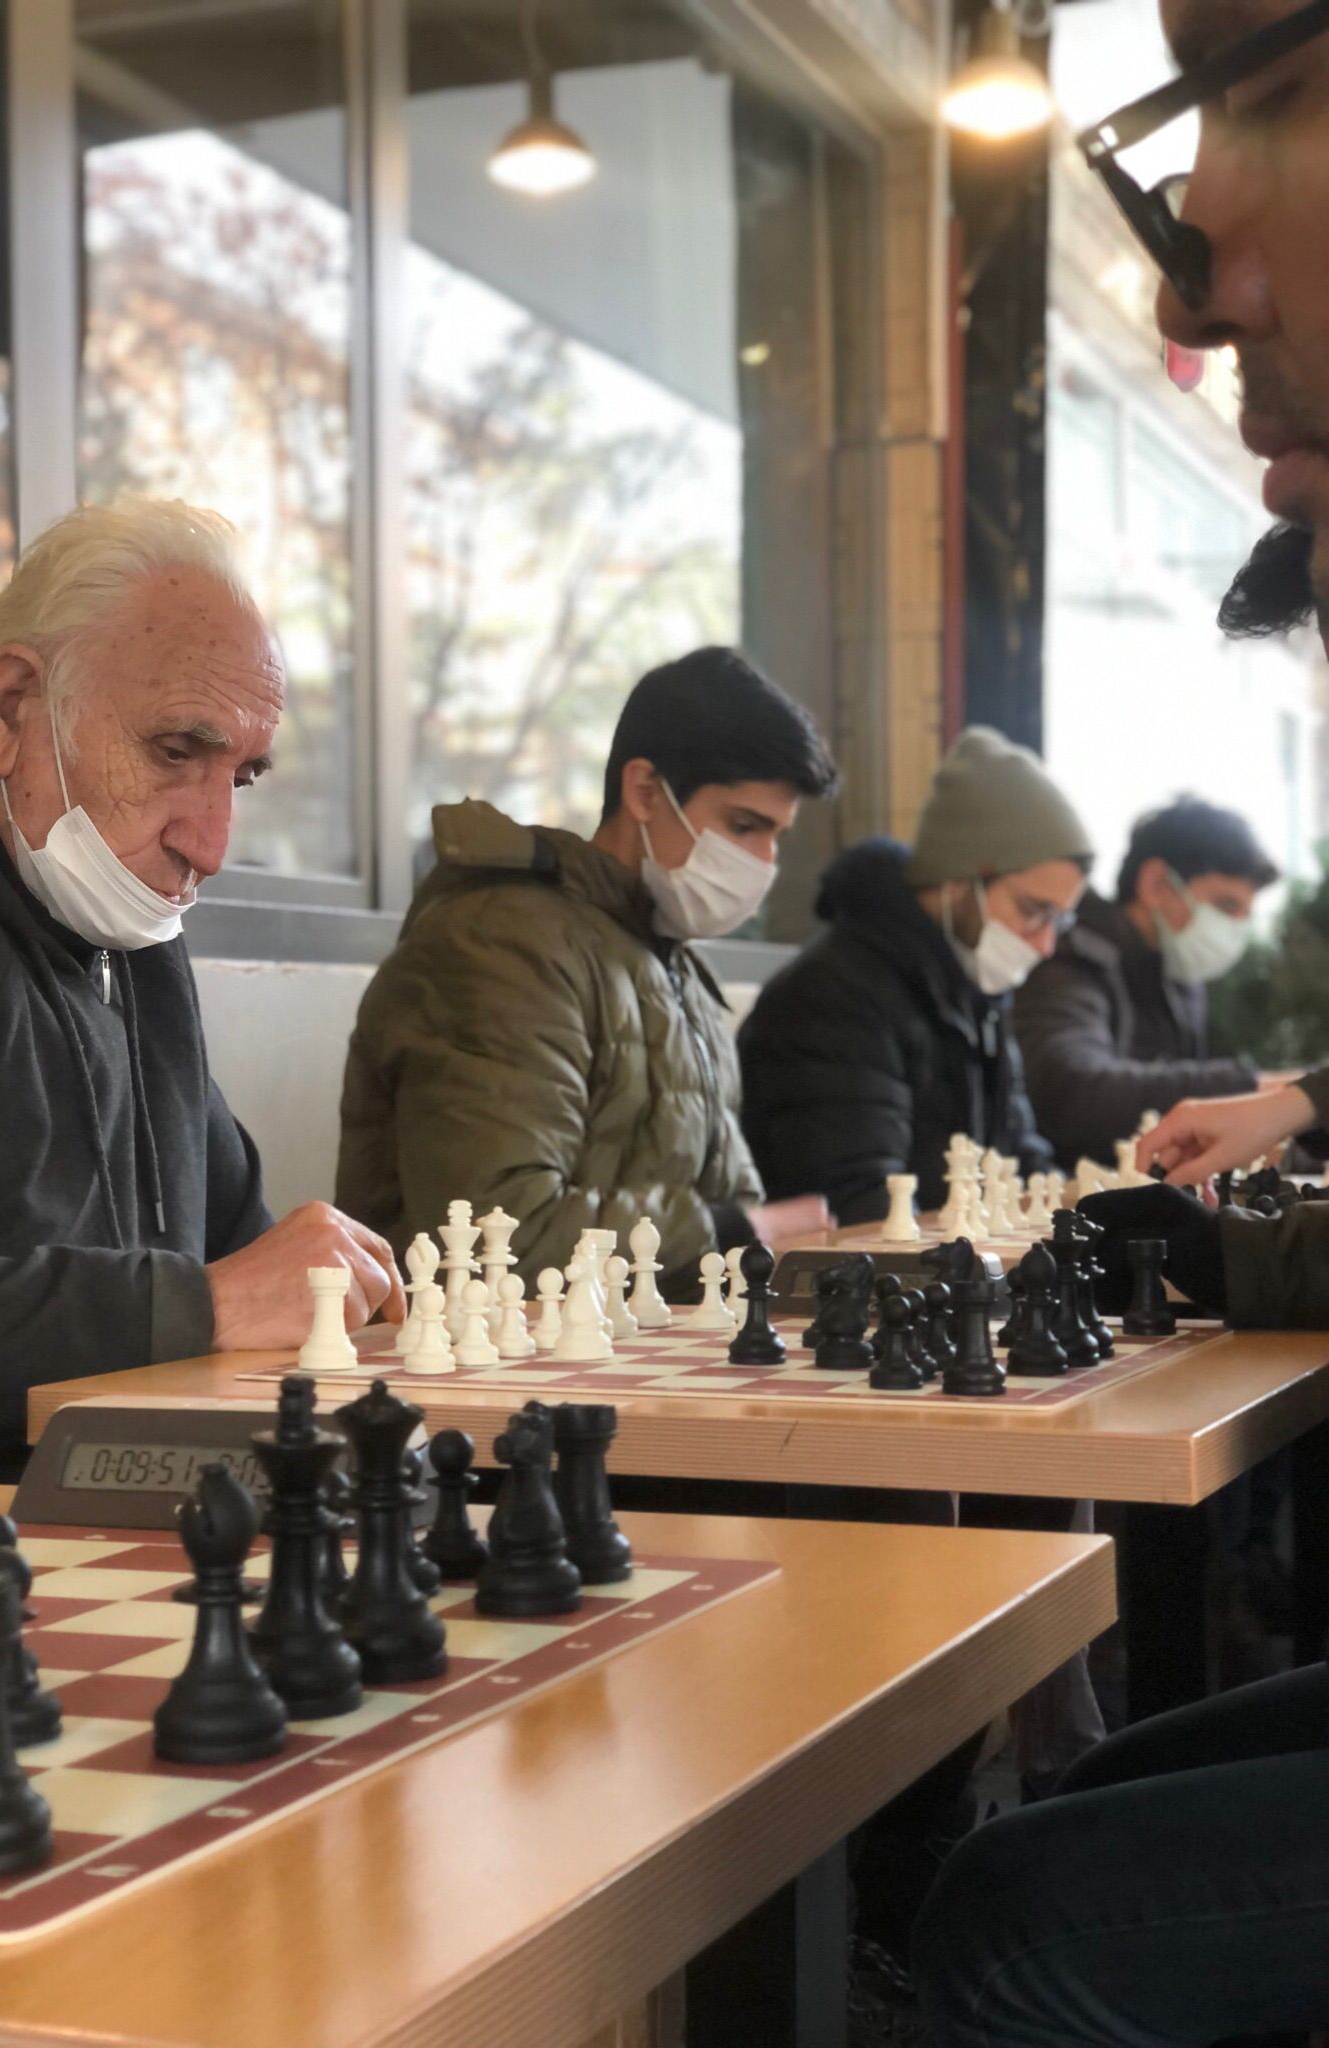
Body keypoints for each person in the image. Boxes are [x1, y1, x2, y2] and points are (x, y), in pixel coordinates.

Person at [916, 4, 1329, 2042]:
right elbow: (1056, 1101)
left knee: (1020, 1916)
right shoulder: (961, 980)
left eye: (1262, 84)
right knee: (1074, 1808)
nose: (1187, 278)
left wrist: (1265, 1183)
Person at [0, 498, 400, 1477]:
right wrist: (199, 1307)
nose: (211, 843)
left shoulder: (117, 910)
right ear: (9, 710)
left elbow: (245, 1257)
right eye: (175, 751)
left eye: (242, 776)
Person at [335, 647, 837, 1289]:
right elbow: (499, 1235)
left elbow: (733, 1210)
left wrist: (749, 1233)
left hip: (633, 1338)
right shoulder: (503, 944)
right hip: (479, 1347)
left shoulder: (674, 967)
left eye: (776, 836)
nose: (764, 862)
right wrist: (734, 1230)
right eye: (743, 826)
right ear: (645, 791)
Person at [738, 726, 1093, 1226]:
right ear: (958, 880)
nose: (1046, 944)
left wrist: (1093, 1215)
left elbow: (1018, 1161)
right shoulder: (832, 998)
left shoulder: (973, 990)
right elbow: (858, 1211)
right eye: (1034, 911)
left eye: (1059, 919)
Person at [1015, 797, 1277, 1168]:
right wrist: (1257, 1094)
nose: (1233, 929)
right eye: (1225, 906)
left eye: (1244, 916)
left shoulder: (1181, 980)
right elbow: (1070, 1090)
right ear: (1155, 883)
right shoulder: (1068, 957)